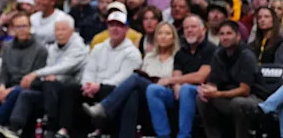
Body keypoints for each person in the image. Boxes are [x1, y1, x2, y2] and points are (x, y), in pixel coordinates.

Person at [48, 8, 142, 138]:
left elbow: (124, 78)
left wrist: (98, 86)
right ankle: (64, 130)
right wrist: (87, 85)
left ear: (126, 29)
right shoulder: (98, 48)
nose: (115, 29)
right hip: (93, 87)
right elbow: (89, 70)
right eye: (112, 25)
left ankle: (100, 130)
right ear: (107, 27)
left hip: (113, 90)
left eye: (119, 26)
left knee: (109, 89)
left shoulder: (132, 53)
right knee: (69, 89)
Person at [83, 21, 179, 138]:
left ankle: (104, 107)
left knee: (134, 78)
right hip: (148, 90)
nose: (163, 36)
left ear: (173, 38)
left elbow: (178, 79)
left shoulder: (178, 56)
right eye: (160, 33)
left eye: (167, 34)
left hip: (166, 91)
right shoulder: (149, 56)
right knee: (133, 93)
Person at [0, 12, 48, 138]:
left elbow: (37, 79)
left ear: (30, 27)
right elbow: (3, 71)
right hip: (9, 85)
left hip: (28, 87)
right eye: (18, 27)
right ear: (13, 29)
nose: (21, 30)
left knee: (17, 92)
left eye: (24, 26)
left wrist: (10, 90)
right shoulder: (7, 47)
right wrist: (1, 86)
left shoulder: (40, 49)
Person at [190, 20, 267, 138]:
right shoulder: (218, 54)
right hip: (228, 97)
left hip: (254, 98)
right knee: (202, 100)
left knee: (238, 103)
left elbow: (244, 90)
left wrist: (217, 94)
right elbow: (212, 82)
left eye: (229, 33)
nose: (225, 37)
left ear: (238, 36)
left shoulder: (246, 55)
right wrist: (206, 90)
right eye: (222, 34)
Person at [144, 14, 216, 138]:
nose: (189, 30)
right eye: (186, 28)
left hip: (202, 91)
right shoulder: (181, 52)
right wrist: (176, 85)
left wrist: (172, 81)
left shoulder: (211, 49)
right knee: (153, 89)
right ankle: (163, 135)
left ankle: (184, 135)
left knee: (186, 89)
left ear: (203, 29)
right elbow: (177, 73)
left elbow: (200, 77)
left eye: (193, 27)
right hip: (180, 92)